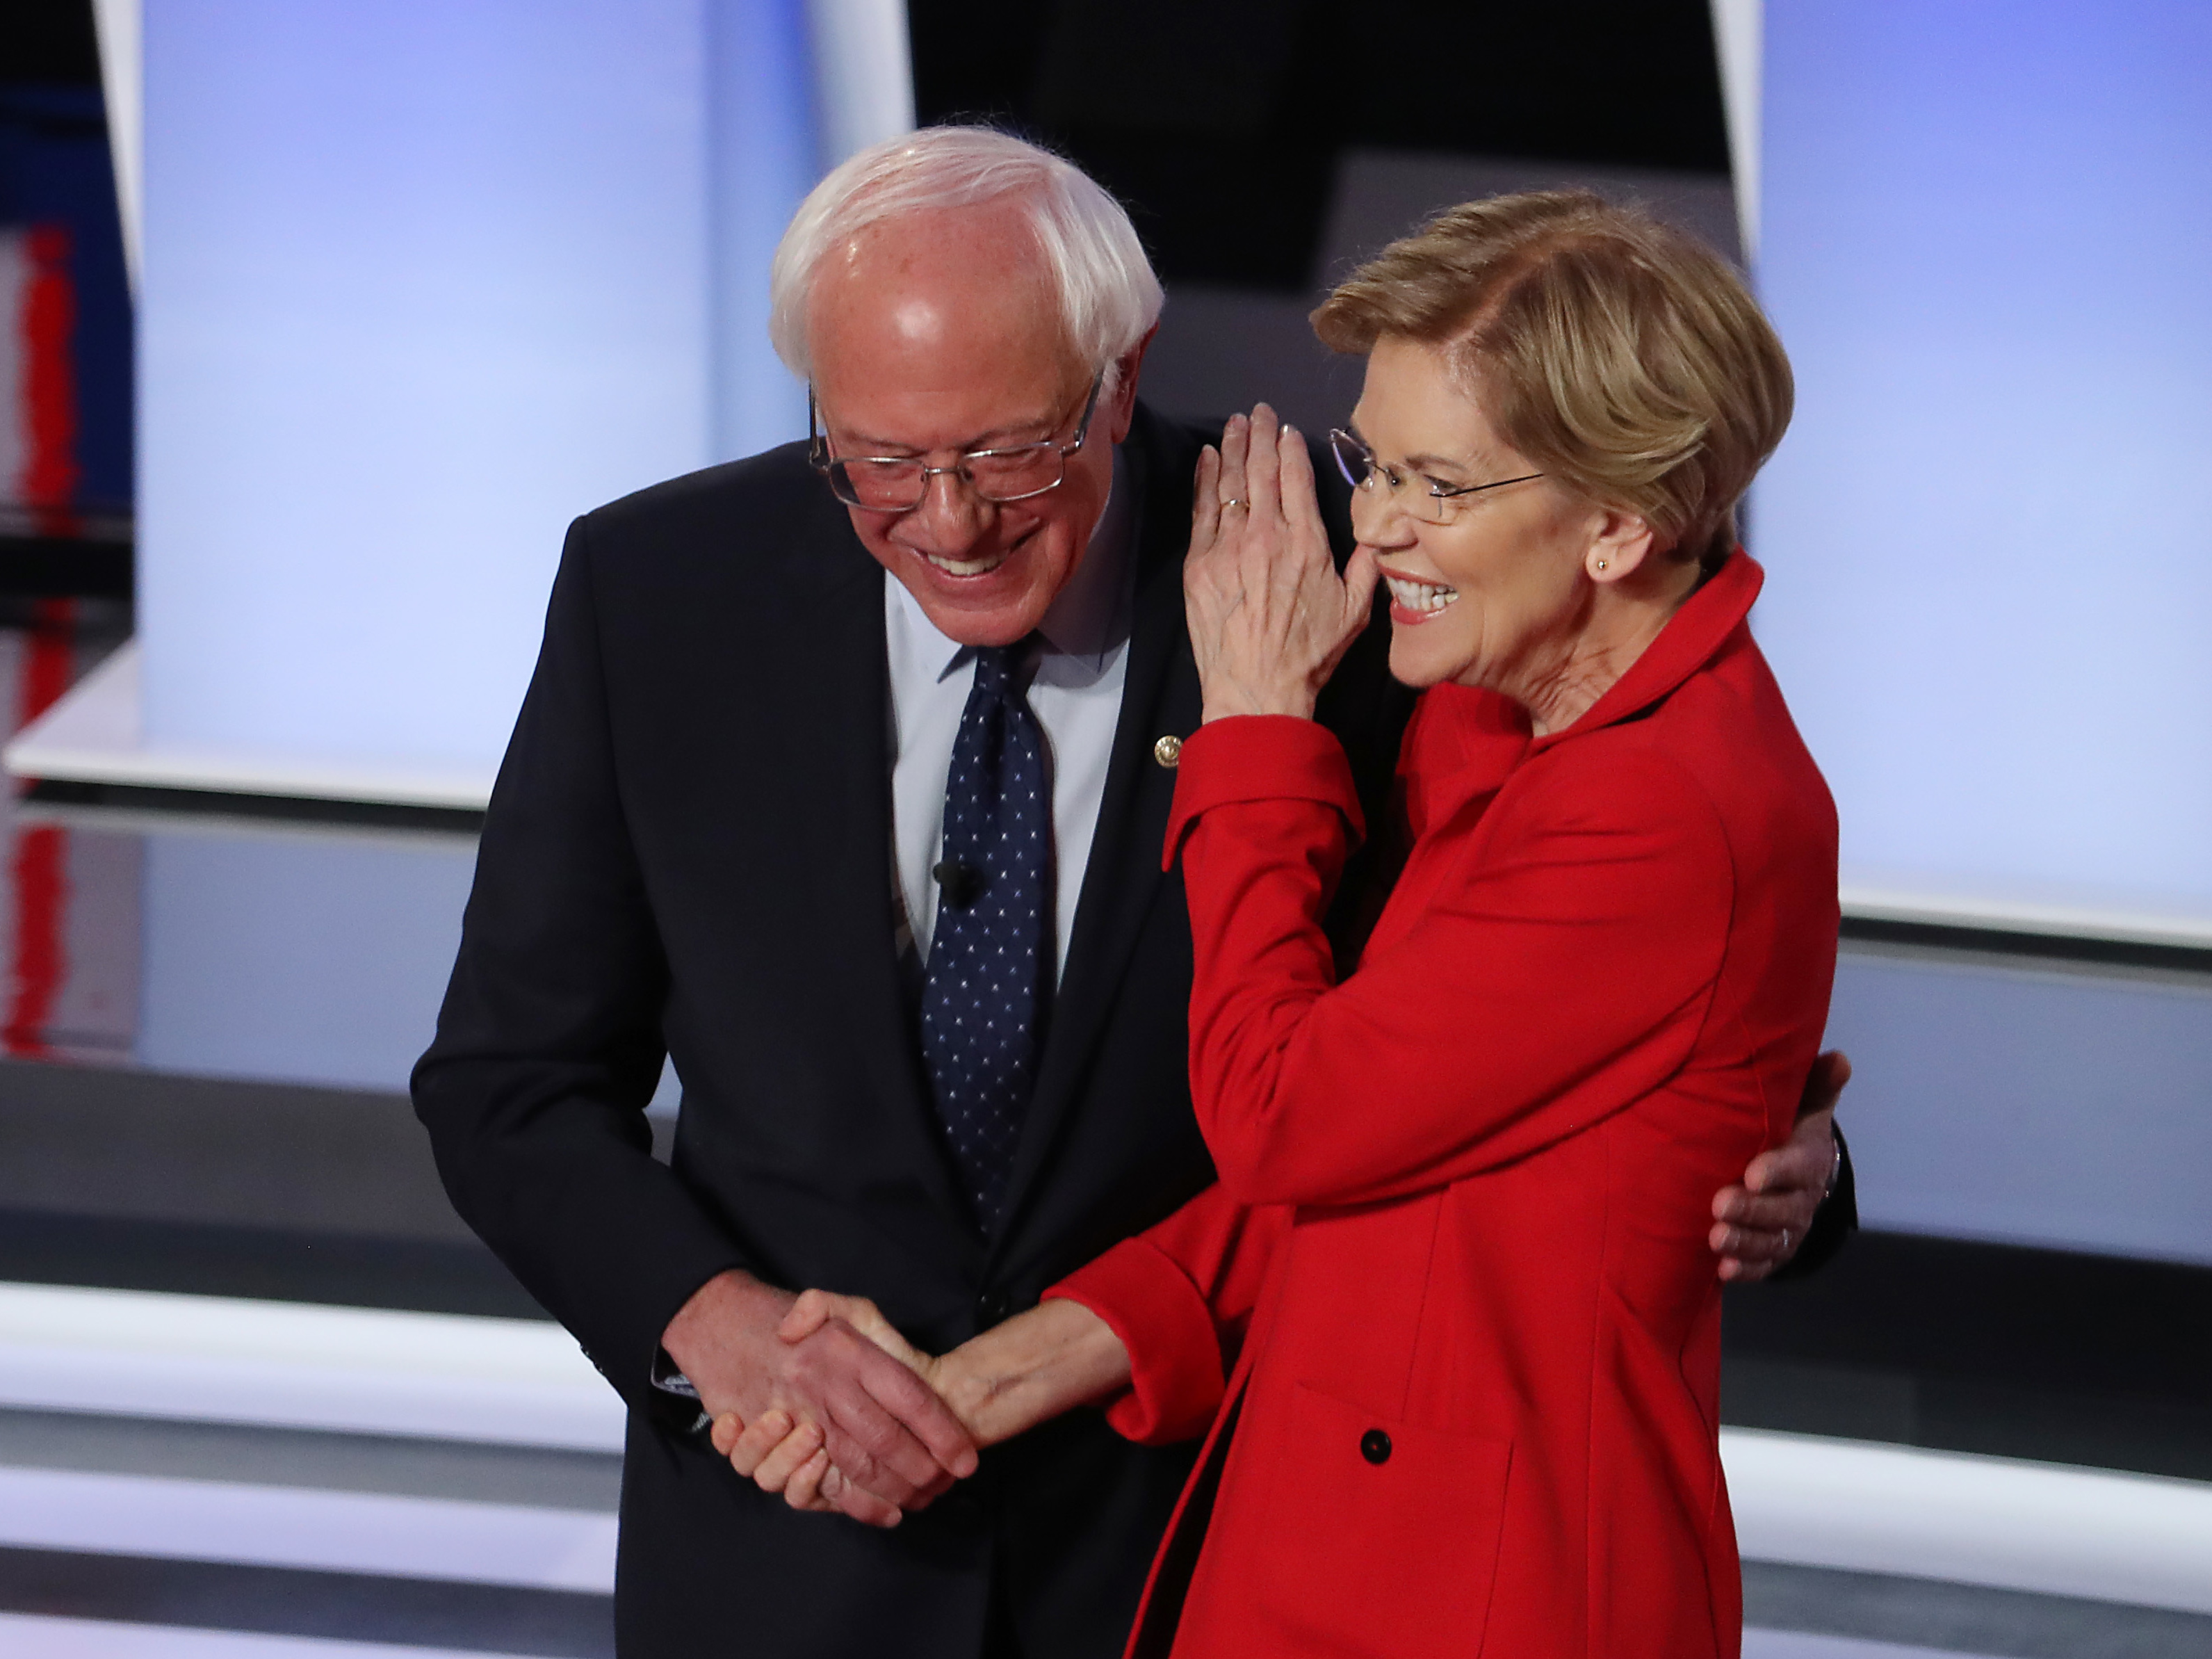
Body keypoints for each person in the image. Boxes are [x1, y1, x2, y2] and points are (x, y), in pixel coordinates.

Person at [414, 131, 1848, 1659]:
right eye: (880, 459)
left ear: (1120, 373)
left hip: (1179, 1545)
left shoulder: (1357, 595)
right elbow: (509, 1082)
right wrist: (711, 1327)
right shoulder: (660, 588)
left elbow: (1506, 1017)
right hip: (786, 1555)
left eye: (1008, 453)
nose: (949, 518)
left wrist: (1765, 1148)